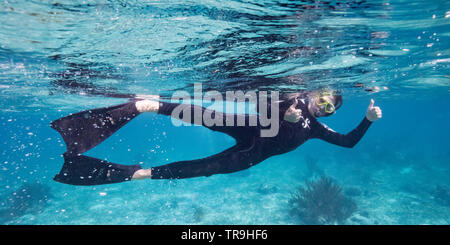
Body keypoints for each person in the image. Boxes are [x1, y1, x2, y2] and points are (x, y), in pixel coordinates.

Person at [50, 89, 382, 185]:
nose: (323, 108)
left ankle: (137, 174)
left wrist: (366, 121)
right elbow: (261, 100)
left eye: (329, 108)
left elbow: (349, 142)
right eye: (322, 100)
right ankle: (148, 105)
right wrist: (284, 113)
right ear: (313, 94)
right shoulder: (289, 99)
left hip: (252, 155)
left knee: (206, 166)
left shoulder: (318, 129)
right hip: (249, 128)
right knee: (211, 117)